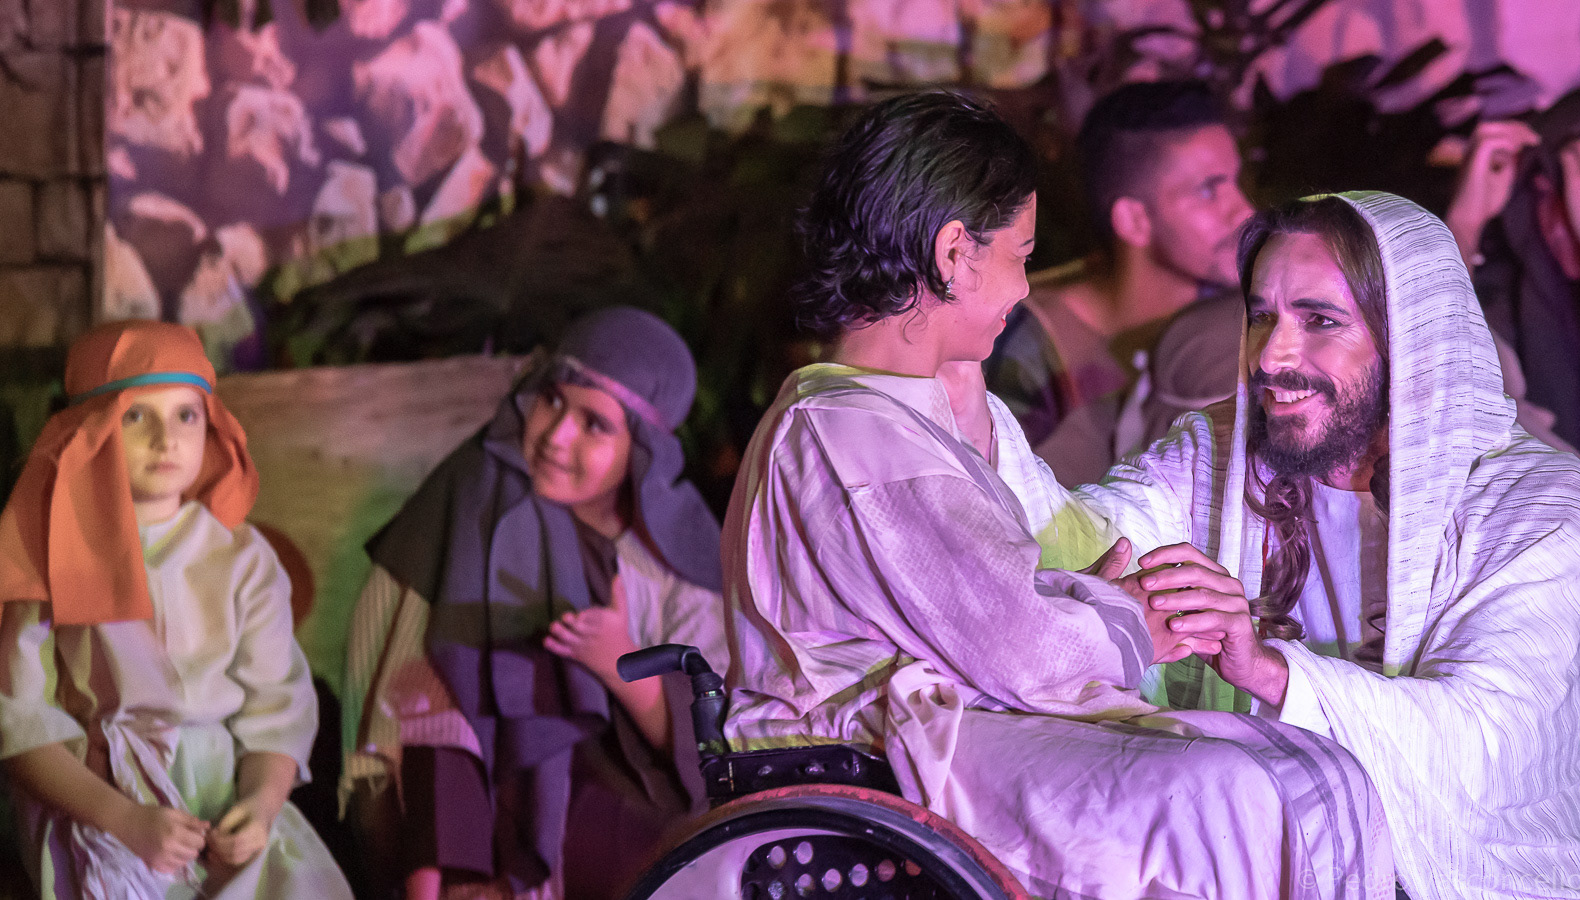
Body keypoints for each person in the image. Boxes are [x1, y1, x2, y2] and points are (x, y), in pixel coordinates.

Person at [723, 90, 1392, 899]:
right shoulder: (848, 428)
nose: (1023, 289)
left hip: (951, 727)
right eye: (1021, 254)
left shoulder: (891, 414)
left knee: (1310, 769)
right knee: (1231, 792)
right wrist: (1127, 617)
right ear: (955, 253)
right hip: (870, 760)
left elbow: (998, 602)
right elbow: (1018, 640)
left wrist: (1088, 601)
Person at [1036, 192, 1580, 897]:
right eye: (1261, 316)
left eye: (1320, 321)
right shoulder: (1219, 455)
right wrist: (959, 393)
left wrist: (1270, 670)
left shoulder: (1542, 504)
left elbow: (1486, 742)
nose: (1270, 356)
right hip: (1272, 863)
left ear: (1411, 339)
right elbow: (1075, 538)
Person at [341, 307, 727, 900]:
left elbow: (715, 752)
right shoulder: (476, 500)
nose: (556, 436)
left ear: (642, 451)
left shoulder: (677, 565)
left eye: (595, 424)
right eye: (551, 400)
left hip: (612, 812)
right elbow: (393, 676)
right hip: (460, 807)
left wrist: (621, 666)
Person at [0, 319, 353, 899]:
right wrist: (124, 820)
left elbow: (277, 705)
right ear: (90, 430)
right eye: (136, 416)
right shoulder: (44, 555)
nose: (167, 439)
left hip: (222, 801)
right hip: (101, 806)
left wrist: (261, 807)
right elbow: (22, 723)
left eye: (186, 415)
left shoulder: (242, 557)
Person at [985, 79, 1253, 484]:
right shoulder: (1028, 347)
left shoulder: (1244, 315)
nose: (1244, 211)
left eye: (1236, 182)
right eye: (1207, 191)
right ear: (1133, 220)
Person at [1446, 88, 1580, 464]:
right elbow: (1435, 374)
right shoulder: (1505, 297)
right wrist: (1463, 227)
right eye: (1553, 196)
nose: (1572, 228)